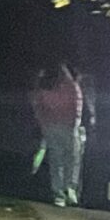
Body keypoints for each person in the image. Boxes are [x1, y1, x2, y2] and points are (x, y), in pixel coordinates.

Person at [31, 64, 87, 206]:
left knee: (56, 161)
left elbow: (37, 105)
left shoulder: (43, 86)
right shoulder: (70, 86)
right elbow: (77, 104)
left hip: (51, 127)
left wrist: (43, 123)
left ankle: (58, 193)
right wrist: (75, 122)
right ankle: (70, 188)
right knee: (73, 158)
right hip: (68, 127)